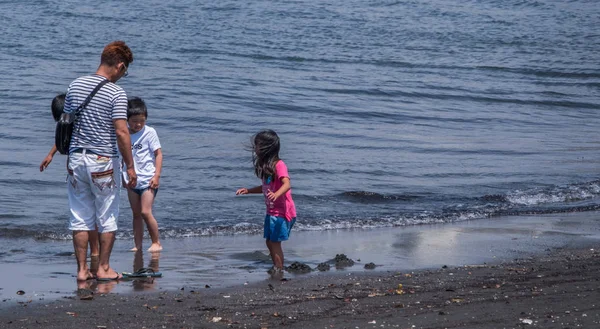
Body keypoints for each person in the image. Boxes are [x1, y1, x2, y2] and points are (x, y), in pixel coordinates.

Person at [65, 40, 136, 282]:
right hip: (102, 160)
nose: (123, 75)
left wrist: (69, 153)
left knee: (80, 216)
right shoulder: (116, 92)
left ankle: (82, 271)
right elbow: (121, 132)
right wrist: (130, 166)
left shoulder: (75, 85)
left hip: (76, 158)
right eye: (125, 71)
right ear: (120, 65)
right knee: (107, 215)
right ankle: (104, 268)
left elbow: (65, 123)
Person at [39, 94, 100, 258]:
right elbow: (62, 141)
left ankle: (94, 251)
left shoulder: (72, 122)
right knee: (90, 214)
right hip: (81, 170)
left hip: (79, 170)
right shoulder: (71, 120)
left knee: (85, 215)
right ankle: (94, 251)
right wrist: (50, 154)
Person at [236, 130, 297, 274]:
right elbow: (265, 187)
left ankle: (278, 269)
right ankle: (277, 265)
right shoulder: (267, 166)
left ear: (266, 147)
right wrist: (249, 190)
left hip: (282, 212)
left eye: (257, 145)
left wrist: (276, 194)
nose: (255, 149)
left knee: (275, 243)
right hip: (271, 212)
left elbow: (286, 184)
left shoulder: (279, 165)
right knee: (269, 241)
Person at [122, 97, 163, 252]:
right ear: (127, 119)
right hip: (131, 181)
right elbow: (121, 157)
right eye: (134, 121)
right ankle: (138, 245)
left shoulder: (149, 132)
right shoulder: (123, 133)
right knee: (136, 214)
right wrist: (122, 176)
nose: (138, 124)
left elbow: (158, 154)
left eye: (142, 120)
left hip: (148, 179)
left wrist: (156, 175)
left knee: (146, 212)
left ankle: (156, 242)